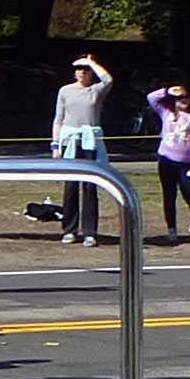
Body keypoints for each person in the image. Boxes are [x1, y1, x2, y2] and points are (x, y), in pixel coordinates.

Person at [51, 55, 113, 246]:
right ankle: (70, 229)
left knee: (90, 187)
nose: (82, 72)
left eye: (85, 70)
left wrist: (92, 62)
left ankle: (90, 232)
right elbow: (58, 119)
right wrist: (56, 144)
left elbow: (108, 79)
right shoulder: (65, 91)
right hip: (70, 141)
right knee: (71, 187)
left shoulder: (95, 91)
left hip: (90, 142)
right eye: (79, 69)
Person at [148, 84, 190, 246]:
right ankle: (171, 229)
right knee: (169, 195)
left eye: (186, 97)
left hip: (185, 163)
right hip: (166, 160)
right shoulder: (166, 113)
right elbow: (151, 98)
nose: (184, 100)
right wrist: (167, 91)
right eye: (180, 98)